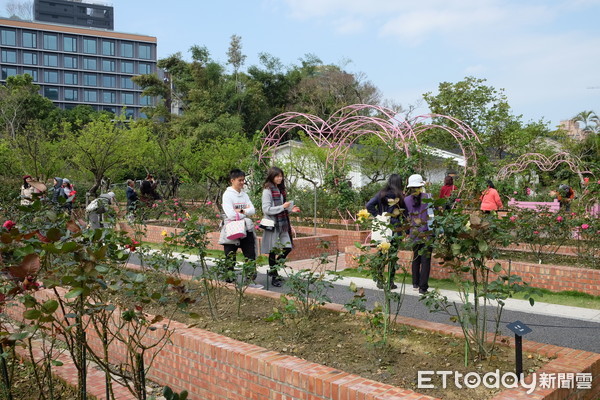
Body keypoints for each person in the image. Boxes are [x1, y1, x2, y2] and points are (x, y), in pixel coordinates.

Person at [218, 169, 261, 288]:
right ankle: (229, 280)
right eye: (239, 180)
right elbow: (231, 215)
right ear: (232, 180)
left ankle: (250, 280)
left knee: (250, 255)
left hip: (245, 228)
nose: (242, 182)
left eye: (243, 180)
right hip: (232, 228)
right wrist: (244, 212)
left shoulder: (244, 194)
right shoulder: (227, 195)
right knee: (230, 255)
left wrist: (239, 211)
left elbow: (252, 210)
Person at [260, 167, 300, 287]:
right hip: (272, 224)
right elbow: (266, 209)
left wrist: (290, 209)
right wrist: (283, 207)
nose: (280, 178)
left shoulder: (280, 190)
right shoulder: (267, 191)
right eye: (277, 176)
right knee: (273, 251)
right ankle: (274, 276)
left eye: (281, 176)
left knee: (287, 247)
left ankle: (273, 270)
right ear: (271, 177)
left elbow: (282, 207)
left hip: (283, 224)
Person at [365, 173, 406, 289]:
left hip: (382, 227)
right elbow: (404, 213)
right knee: (392, 256)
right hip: (394, 227)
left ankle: (379, 280)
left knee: (381, 254)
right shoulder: (399, 196)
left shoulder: (381, 194)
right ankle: (390, 282)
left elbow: (369, 205)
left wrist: (378, 215)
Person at [404, 174, 433, 295]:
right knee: (425, 260)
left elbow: (405, 219)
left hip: (414, 234)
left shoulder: (405, 200)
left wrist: (407, 233)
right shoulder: (428, 198)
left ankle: (415, 283)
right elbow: (431, 218)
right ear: (421, 186)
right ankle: (423, 288)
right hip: (426, 234)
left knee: (416, 258)